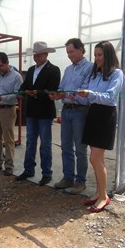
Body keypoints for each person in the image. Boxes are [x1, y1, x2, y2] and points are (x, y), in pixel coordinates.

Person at [76, 41, 125, 213]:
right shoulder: (95, 74)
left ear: (108, 55)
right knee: (97, 158)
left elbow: (109, 96)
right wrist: (77, 95)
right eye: (95, 55)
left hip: (105, 115)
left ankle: (104, 197)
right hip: (94, 113)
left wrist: (90, 93)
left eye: (100, 55)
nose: (96, 58)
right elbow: (89, 98)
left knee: (95, 158)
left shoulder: (117, 74)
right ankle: (99, 192)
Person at [49, 38, 93, 195]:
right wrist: (57, 95)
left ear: (81, 49)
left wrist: (69, 94)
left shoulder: (90, 68)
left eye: (71, 52)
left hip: (81, 111)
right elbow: (62, 88)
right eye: (67, 52)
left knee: (80, 148)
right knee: (66, 146)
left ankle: (80, 181)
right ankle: (68, 177)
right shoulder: (68, 70)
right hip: (67, 110)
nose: (69, 55)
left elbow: (86, 93)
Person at [15, 41, 61, 186]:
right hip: (32, 112)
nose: (36, 57)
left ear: (46, 55)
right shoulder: (30, 70)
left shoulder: (54, 70)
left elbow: (53, 89)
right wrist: (21, 93)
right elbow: (24, 86)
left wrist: (37, 92)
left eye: (39, 55)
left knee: (45, 144)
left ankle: (46, 173)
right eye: (35, 55)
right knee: (30, 142)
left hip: (45, 112)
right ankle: (29, 169)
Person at [0, 52, 23, 176]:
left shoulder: (17, 77)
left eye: (1, 66)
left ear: (7, 63)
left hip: (8, 109)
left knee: (8, 139)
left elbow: (17, 94)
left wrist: (2, 98)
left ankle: (9, 165)